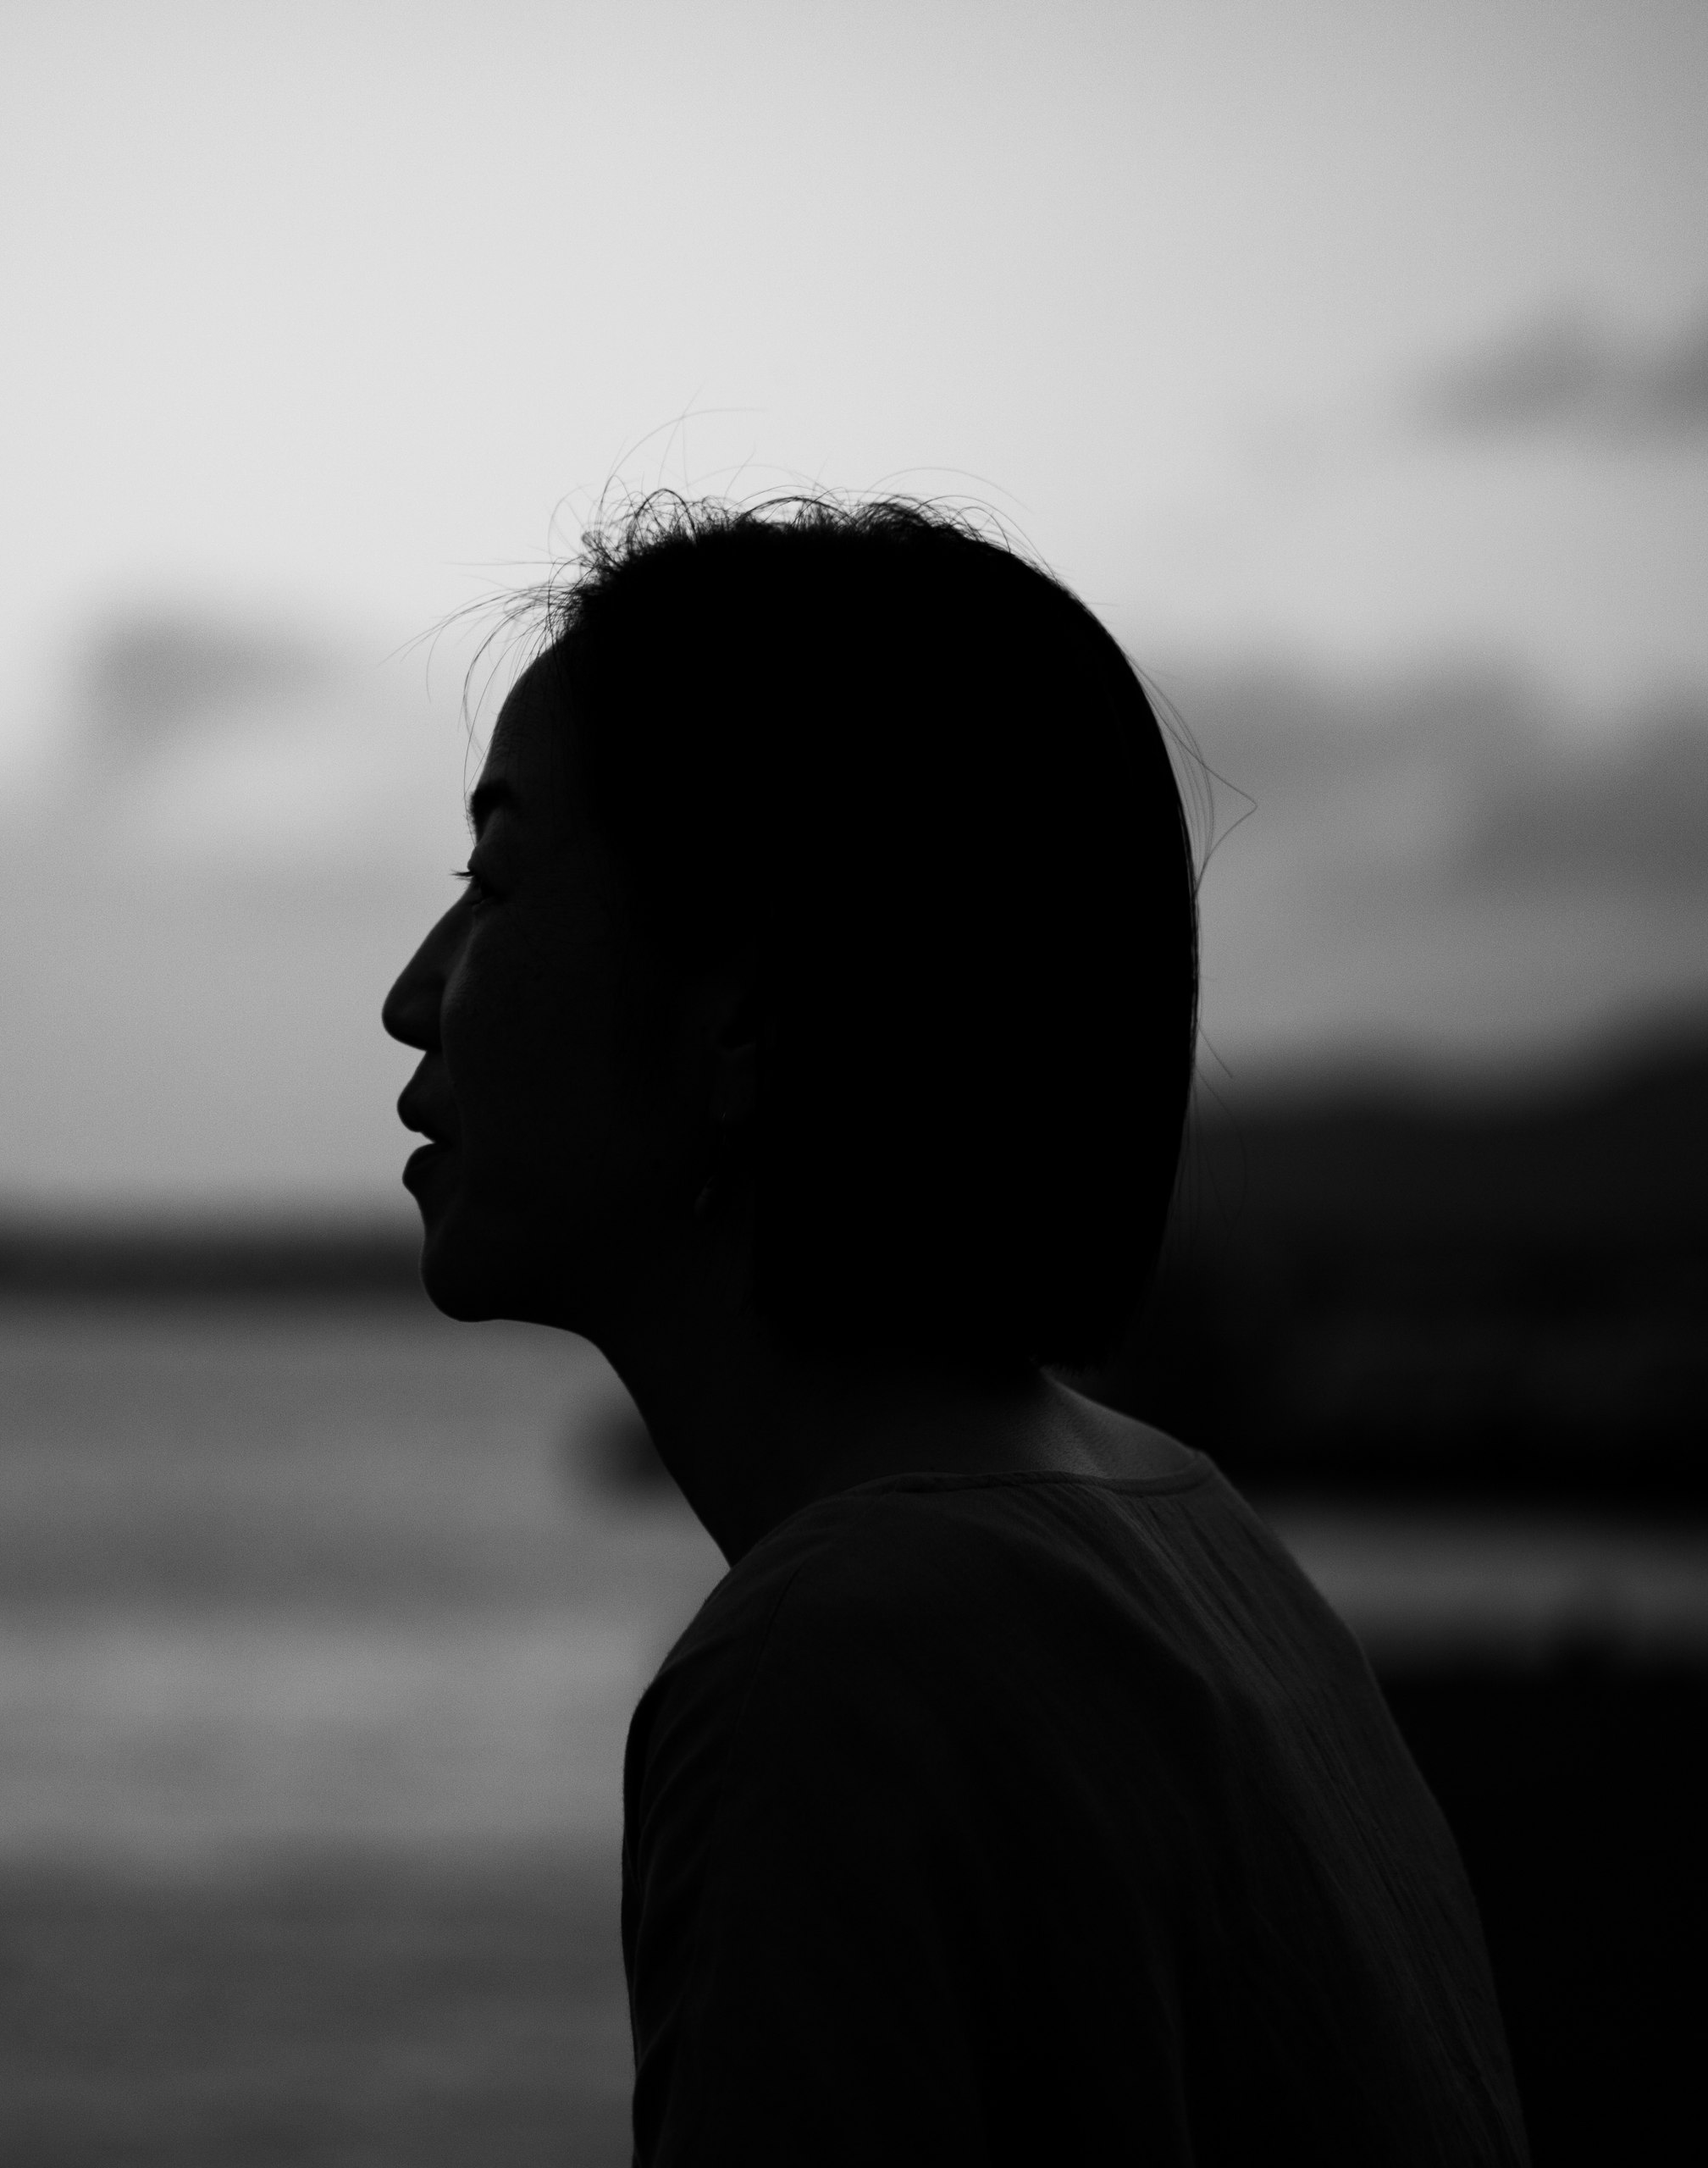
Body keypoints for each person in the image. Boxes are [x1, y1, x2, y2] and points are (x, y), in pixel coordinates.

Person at [380, 495, 1526, 2164]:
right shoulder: (1191, 1537)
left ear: (746, 1011)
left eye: (495, 874)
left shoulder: (836, 1669)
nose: (416, 990)